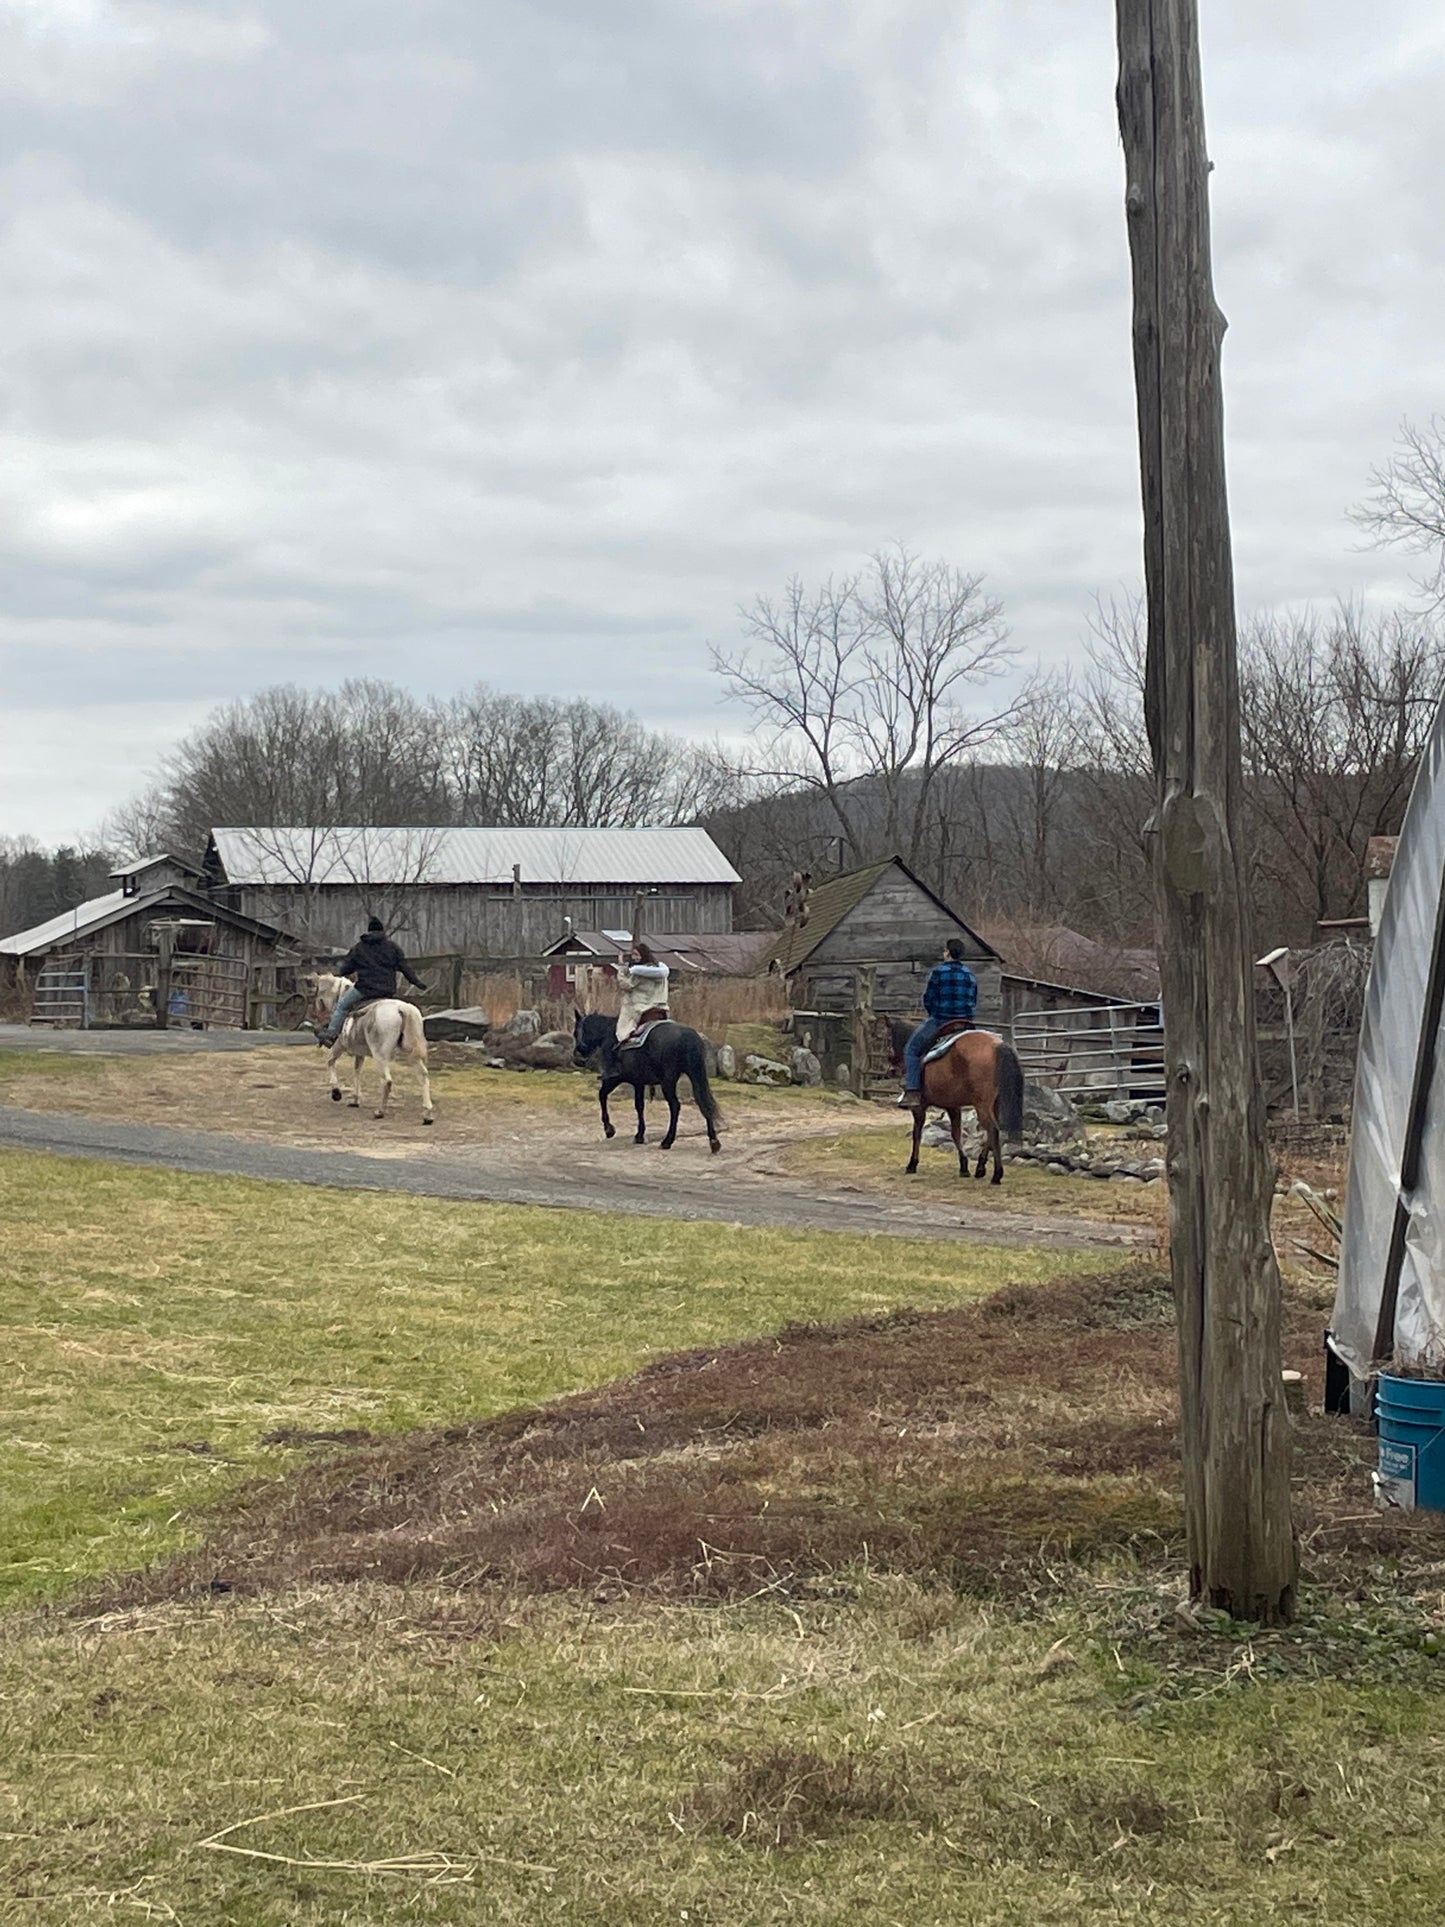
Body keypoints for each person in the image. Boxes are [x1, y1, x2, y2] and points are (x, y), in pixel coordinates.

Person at [315, 916, 426, 1046]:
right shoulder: (393, 947)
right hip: (387, 990)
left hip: (365, 989)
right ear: (382, 931)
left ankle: (331, 1034)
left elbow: (346, 969)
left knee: (342, 1006)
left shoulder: (360, 948)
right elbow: (405, 968)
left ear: (368, 931)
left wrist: (341, 970)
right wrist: (418, 983)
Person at [898, 937, 978, 1106]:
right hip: (965, 1023)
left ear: (947, 952)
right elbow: (974, 1000)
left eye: (944, 950)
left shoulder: (938, 972)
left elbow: (929, 998)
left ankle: (913, 1091)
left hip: (941, 1020)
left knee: (911, 1050)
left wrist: (933, 1013)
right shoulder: (970, 975)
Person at [614, 939, 670, 1049]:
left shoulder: (640, 972)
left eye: (636, 955)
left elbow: (626, 985)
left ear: (642, 955)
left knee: (624, 1029)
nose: (634, 958)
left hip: (643, 1008)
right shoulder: (659, 972)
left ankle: (624, 1043)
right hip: (662, 1008)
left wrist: (621, 968)